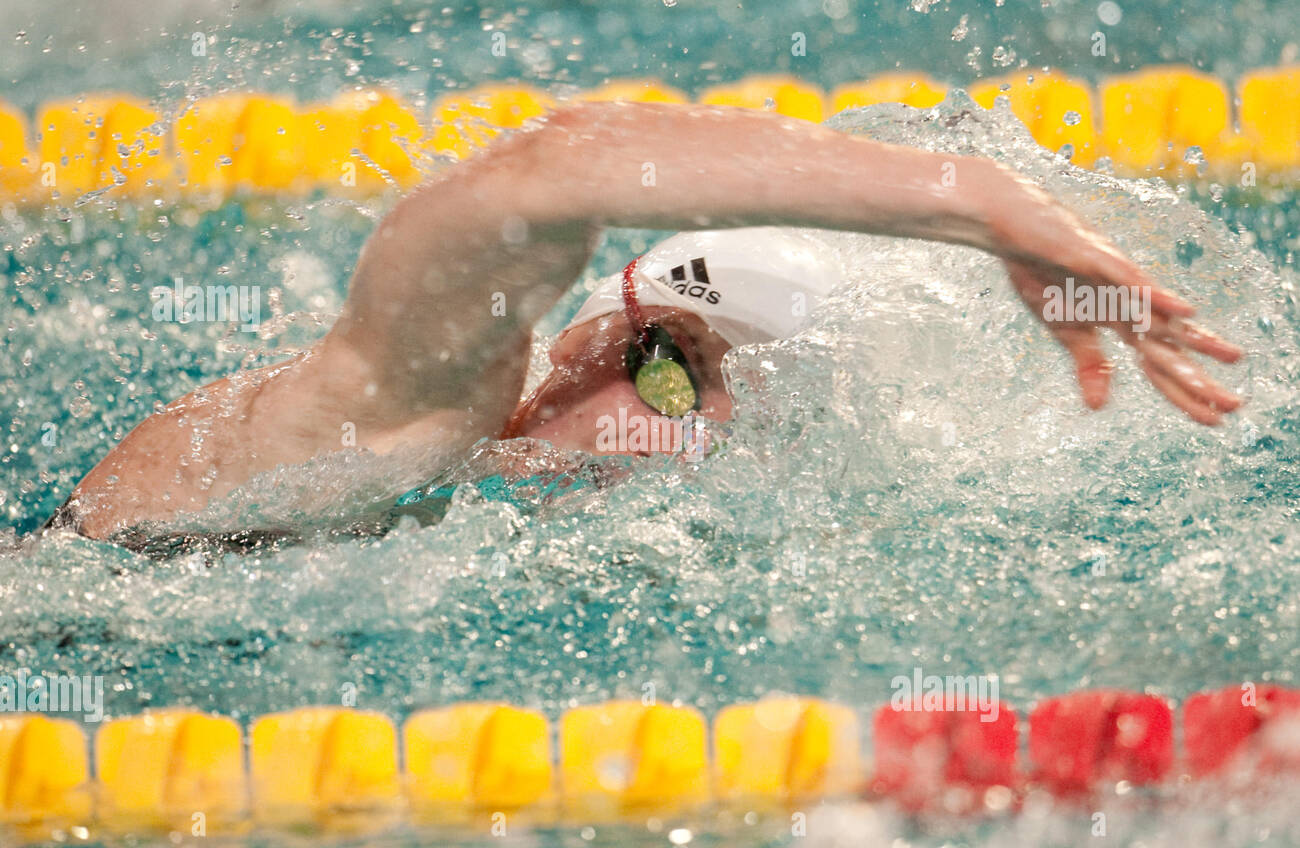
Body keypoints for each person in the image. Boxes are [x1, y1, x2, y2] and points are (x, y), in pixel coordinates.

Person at [49, 101, 1243, 545]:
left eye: (730, 416)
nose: (680, 436)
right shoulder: (414, 410)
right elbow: (546, 169)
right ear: (583, 338)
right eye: (671, 373)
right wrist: (972, 200)